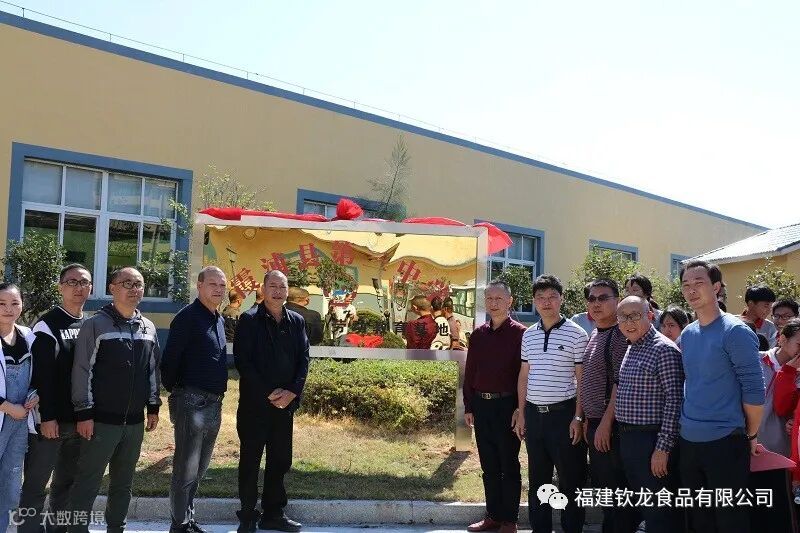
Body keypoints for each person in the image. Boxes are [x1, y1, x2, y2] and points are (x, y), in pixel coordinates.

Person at [68, 267, 161, 533]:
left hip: (134, 423)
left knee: (123, 483)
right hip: (100, 423)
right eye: (127, 283)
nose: (134, 289)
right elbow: (82, 370)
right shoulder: (95, 325)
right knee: (87, 482)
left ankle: (116, 528)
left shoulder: (148, 328)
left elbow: (153, 370)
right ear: (112, 288)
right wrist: (84, 413)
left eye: (138, 284)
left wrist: (153, 406)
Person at [678, 260, 765, 533]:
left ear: (716, 287)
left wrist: (750, 434)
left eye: (699, 283)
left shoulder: (735, 331)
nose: (691, 290)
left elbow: (754, 391)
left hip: (725, 441)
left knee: (730, 520)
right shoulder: (687, 333)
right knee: (698, 520)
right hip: (689, 440)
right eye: (686, 285)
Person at [234, 270, 310, 533]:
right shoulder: (249, 319)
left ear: (287, 290)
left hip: (285, 405)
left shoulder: (296, 321)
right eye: (273, 286)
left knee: (280, 460)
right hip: (255, 405)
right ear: (263, 289)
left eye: (282, 287)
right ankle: (247, 516)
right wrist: (270, 392)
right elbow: (243, 362)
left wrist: (292, 392)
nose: (278, 292)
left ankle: (273, 514)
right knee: (250, 461)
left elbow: (303, 359)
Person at [18, 264, 92, 533]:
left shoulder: (89, 324)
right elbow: (42, 376)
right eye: (71, 282)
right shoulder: (46, 324)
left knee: (65, 485)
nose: (78, 287)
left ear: (91, 288)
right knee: (36, 485)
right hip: (50, 424)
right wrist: (47, 417)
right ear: (60, 287)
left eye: (84, 282)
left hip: (78, 422)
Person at [513, 274, 588, 533]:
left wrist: (578, 417)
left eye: (552, 297)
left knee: (570, 480)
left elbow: (582, 378)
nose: (546, 302)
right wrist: (522, 413)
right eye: (541, 298)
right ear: (534, 301)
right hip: (535, 416)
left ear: (561, 299)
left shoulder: (577, 334)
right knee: (538, 480)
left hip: (564, 416)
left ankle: (572, 528)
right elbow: (524, 375)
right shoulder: (528, 335)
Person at [161, 266, 229, 533]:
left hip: (214, 403)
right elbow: (170, 361)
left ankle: (188, 520)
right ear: (199, 286)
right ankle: (179, 525)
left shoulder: (218, 319)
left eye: (222, 285)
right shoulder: (187, 317)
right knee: (185, 469)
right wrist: (179, 393)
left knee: (199, 468)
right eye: (213, 284)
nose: (218, 289)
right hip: (192, 401)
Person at [615, 296, 684, 533]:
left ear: (650, 316)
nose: (628, 322)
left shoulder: (663, 349)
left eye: (635, 315)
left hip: (652, 440)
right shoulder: (632, 346)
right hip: (630, 438)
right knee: (644, 505)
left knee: (658, 510)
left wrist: (662, 449)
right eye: (623, 317)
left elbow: (675, 401)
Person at [463, 281, 526, 533]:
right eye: (489, 298)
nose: (493, 303)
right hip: (482, 406)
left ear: (510, 301)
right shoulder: (479, 334)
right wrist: (469, 405)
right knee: (488, 465)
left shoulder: (521, 334)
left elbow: (525, 375)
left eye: (499, 298)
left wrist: (520, 408)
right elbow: (470, 372)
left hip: (508, 406)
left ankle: (509, 520)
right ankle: (493, 516)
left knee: (508, 464)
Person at [578, 279, 638, 533]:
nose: (596, 303)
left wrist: (605, 423)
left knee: (617, 494)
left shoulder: (619, 335)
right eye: (592, 299)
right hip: (594, 423)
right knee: (605, 490)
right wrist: (584, 419)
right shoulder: (595, 333)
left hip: (611, 428)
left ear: (617, 301)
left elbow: (619, 383)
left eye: (603, 298)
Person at [746, 318, 800, 533]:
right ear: (782, 339)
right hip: (748, 447)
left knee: (780, 512)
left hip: (781, 454)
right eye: (799, 344)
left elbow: (786, 408)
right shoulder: (756, 360)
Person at [0, 283, 38, 533]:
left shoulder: (28, 336)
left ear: (22, 306)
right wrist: (6, 407)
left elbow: (38, 374)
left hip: (20, 422)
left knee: (11, 483)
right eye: (1, 304)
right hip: (6, 414)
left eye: (14, 303)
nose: (8, 309)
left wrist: (35, 393)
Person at [741, 283, 778, 348]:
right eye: (766, 306)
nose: (769, 310)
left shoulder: (770, 328)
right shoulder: (733, 322)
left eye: (771, 307)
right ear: (751, 304)